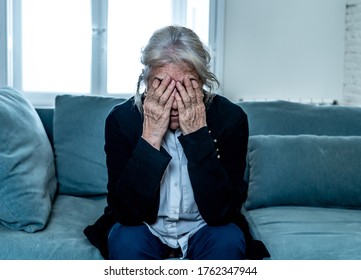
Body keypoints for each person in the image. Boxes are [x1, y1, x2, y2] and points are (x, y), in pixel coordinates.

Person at [84, 25, 269, 260]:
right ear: (146, 81)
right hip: (145, 226)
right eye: (161, 85)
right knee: (125, 242)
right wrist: (150, 136)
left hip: (205, 227)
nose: (172, 101)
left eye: (185, 86)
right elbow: (126, 212)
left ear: (202, 82)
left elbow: (222, 212)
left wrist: (197, 134)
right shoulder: (121, 120)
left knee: (229, 241)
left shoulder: (231, 120)